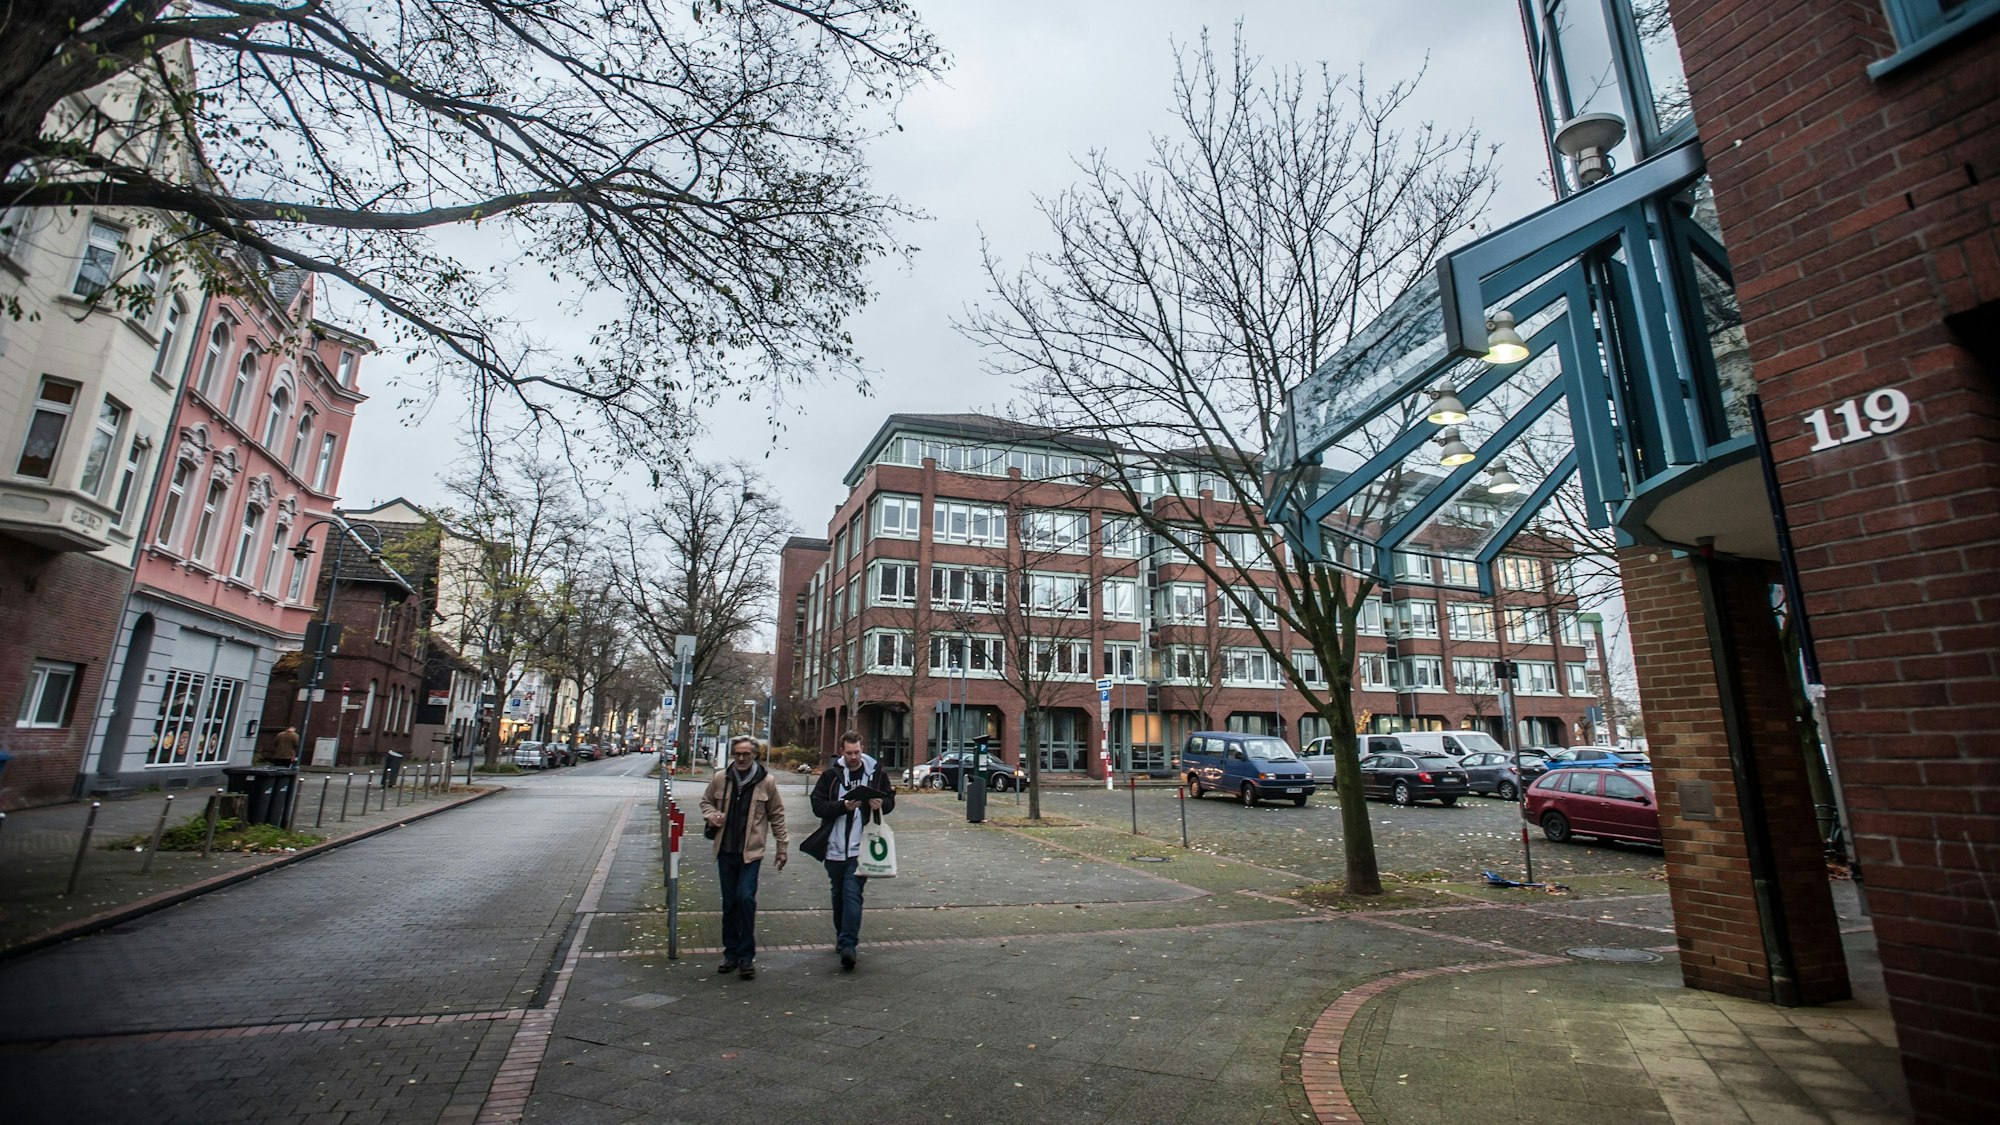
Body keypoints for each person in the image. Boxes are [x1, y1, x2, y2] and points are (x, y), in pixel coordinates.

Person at [700, 736, 788, 979]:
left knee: (745, 898)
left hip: (751, 853)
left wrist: (782, 847)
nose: (741, 759)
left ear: (754, 756)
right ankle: (731, 954)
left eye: (746, 755)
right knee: (730, 903)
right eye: (737, 754)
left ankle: (747, 956)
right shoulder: (721, 778)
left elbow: (777, 816)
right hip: (725, 851)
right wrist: (712, 815)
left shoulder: (766, 782)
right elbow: (705, 802)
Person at [809, 731, 896, 972]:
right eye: (849, 753)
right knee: (838, 896)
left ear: (862, 748)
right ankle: (842, 936)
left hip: (861, 848)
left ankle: (849, 946)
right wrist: (842, 806)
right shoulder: (830, 776)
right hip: (834, 848)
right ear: (842, 752)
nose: (854, 757)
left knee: (851, 894)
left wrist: (882, 803)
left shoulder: (875, 773)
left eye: (857, 752)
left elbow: (889, 801)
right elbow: (817, 806)